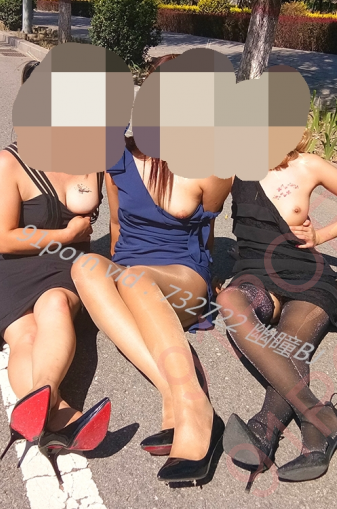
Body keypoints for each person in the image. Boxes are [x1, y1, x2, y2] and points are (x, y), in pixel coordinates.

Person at [71, 55, 232, 485]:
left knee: (136, 277)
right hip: (131, 275)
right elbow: (117, 227)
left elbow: (206, 233)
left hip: (182, 279)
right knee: (86, 265)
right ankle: (177, 389)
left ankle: (193, 408)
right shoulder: (118, 156)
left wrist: (211, 284)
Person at [0, 61, 111, 485]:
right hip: (12, 267)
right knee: (24, 337)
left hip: (64, 266)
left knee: (56, 308)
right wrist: (65, 233)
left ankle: (36, 406)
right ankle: (55, 411)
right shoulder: (8, 163)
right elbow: (4, 238)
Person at [217, 129, 337, 487]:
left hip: (308, 278)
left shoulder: (309, 165)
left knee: (288, 346)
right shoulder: (234, 167)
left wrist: (321, 236)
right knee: (229, 300)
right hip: (255, 275)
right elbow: (199, 205)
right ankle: (319, 418)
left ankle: (264, 429)